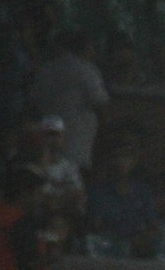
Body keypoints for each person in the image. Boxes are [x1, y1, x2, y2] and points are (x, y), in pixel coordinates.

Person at [28, 29, 109, 171]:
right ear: (85, 48)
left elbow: (34, 101)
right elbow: (100, 101)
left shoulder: (45, 70)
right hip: (76, 143)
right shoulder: (86, 71)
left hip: (48, 141)